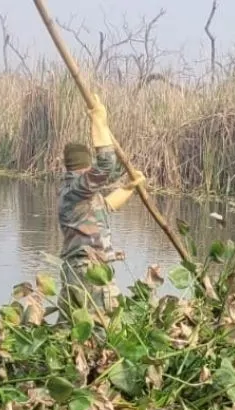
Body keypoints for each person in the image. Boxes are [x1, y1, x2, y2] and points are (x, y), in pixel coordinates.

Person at [57, 93, 144, 319]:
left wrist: (128, 188)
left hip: (79, 272)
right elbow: (107, 164)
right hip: (89, 273)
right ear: (85, 167)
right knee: (101, 330)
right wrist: (98, 120)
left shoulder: (79, 194)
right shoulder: (77, 188)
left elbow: (104, 207)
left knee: (72, 334)